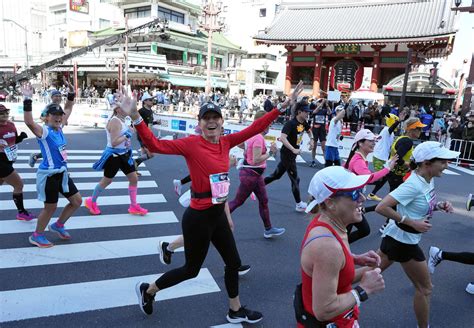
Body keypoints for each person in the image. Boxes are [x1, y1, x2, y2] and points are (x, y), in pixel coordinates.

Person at [126, 82, 296, 323]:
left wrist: (281, 107)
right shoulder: (191, 144)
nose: (211, 121)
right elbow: (155, 145)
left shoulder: (226, 142)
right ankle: (149, 289)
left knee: (233, 263)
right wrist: (135, 116)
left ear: (222, 122)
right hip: (198, 218)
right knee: (190, 270)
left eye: (215, 117)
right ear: (200, 123)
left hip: (217, 214)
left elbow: (256, 126)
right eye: (206, 118)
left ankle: (235, 310)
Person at [375, 141, 460, 328]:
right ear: (427, 163)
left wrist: (438, 206)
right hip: (403, 241)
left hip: (397, 238)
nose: (447, 165)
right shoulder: (413, 184)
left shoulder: (428, 178)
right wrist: (411, 222)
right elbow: (382, 207)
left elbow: (418, 206)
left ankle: (334, 291)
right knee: (425, 288)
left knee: (369, 273)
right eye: (443, 162)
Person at [296, 166, 385, 328]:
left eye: (361, 191)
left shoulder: (329, 224)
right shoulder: (328, 247)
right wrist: (364, 290)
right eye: (354, 193)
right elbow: (323, 310)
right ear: (330, 203)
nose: (362, 198)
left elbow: (332, 274)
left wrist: (351, 259)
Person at [21, 82, 82, 248]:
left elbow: (68, 108)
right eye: (54, 114)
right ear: (46, 117)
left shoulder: (59, 128)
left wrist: (71, 93)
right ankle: (37, 235)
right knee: (50, 207)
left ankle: (58, 225)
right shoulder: (45, 131)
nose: (58, 116)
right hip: (48, 175)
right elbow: (28, 122)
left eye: (59, 114)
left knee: (76, 201)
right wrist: (27, 99)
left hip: (62, 173)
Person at [84, 101, 148, 216]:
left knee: (133, 179)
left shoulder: (124, 120)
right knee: (106, 181)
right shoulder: (115, 121)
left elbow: (124, 137)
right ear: (118, 109)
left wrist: (130, 132)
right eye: (125, 107)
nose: (128, 110)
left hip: (124, 155)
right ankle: (91, 201)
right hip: (113, 156)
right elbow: (114, 142)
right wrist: (127, 134)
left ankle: (133, 206)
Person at [229, 110, 285, 238]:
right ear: (262, 123)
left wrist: (247, 149)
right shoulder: (258, 137)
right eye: (268, 123)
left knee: (263, 201)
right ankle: (213, 219)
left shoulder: (251, 134)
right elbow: (256, 160)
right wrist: (271, 152)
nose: (269, 126)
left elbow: (240, 143)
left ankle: (268, 229)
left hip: (254, 175)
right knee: (238, 201)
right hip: (251, 174)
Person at [344, 129, 398, 243]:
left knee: (356, 232)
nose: (374, 143)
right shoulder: (358, 160)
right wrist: (388, 168)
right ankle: (339, 252)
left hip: (352, 202)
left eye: (375, 140)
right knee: (358, 231)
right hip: (349, 204)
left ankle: (341, 251)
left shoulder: (358, 158)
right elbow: (369, 178)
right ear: (360, 143)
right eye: (371, 140)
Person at [264, 100, 313, 212]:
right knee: (295, 179)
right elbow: (282, 137)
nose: (308, 114)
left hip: (292, 155)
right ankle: (299, 204)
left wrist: (312, 140)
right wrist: (293, 149)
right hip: (287, 154)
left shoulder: (304, 123)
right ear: (299, 112)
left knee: (276, 175)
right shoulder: (290, 124)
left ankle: (256, 187)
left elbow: (309, 131)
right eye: (306, 112)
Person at [379, 117, 426, 232]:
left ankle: (389, 223)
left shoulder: (402, 138)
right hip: (396, 175)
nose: (421, 132)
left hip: (395, 174)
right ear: (411, 130)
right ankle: (386, 225)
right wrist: (409, 165)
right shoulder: (407, 141)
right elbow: (398, 158)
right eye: (418, 129)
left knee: (396, 200)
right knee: (394, 201)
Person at [0, 104, 35, 221]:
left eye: (6, 112)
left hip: (9, 160)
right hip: (1, 162)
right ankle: (21, 212)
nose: (4, 115)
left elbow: (12, 141)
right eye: (1, 113)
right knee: (19, 185)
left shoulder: (11, 124)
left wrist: (20, 138)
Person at [367, 111, 407, 201]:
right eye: (395, 122)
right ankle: (361, 183)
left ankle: (372, 194)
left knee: (384, 177)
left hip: (383, 158)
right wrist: (399, 121)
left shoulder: (389, 132)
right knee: (379, 178)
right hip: (379, 158)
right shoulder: (387, 130)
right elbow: (391, 129)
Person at [28, 89, 63, 167]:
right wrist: (49, 121)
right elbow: (41, 116)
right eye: (56, 96)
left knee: (56, 149)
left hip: (56, 128)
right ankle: (35, 156)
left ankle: (36, 156)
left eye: (59, 96)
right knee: (54, 149)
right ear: (52, 97)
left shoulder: (59, 106)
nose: (58, 98)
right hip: (49, 130)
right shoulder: (49, 106)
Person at [134, 93, 160, 168]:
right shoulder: (141, 111)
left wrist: (155, 122)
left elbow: (148, 123)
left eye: (153, 100)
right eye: (150, 100)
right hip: (143, 135)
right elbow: (134, 121)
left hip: (147, 134)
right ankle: (135, 161)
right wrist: (136, 130)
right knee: (151, 154)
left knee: (143, 153)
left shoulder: (150, 111)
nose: (152, 101)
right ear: (145, 101)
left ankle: (134, 169)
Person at [309, 99, 329, 167]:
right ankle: (313, 161)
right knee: (314, 146)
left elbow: (329, 112)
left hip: (322, 130)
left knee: (324, 147)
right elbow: (314, 111)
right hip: (315, 130)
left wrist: (327, 105)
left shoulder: (324, 110)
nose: (320, 103)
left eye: (321, 102)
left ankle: (326, 162)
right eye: (319, 102)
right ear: (316, 103)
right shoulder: (314, 110)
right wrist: (321, 103)